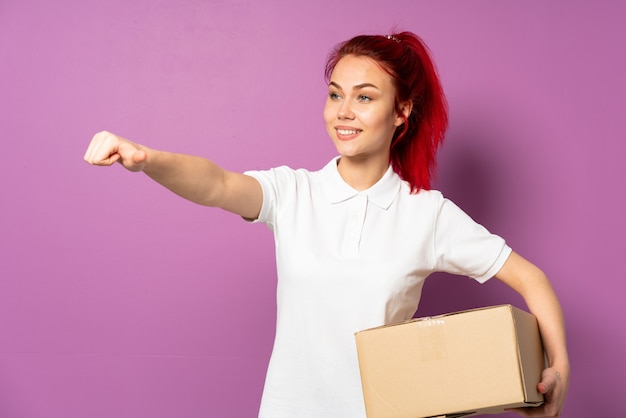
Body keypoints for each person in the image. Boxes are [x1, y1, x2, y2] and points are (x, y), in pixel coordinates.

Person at [84, 31, 569, 418]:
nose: (343, 111)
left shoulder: (427, 213)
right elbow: (215, 183)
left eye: (364, 97)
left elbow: (531, 279)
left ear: (402, 112)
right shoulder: (293, 193)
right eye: (336, 94)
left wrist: (559, 369)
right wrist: (146, 158)